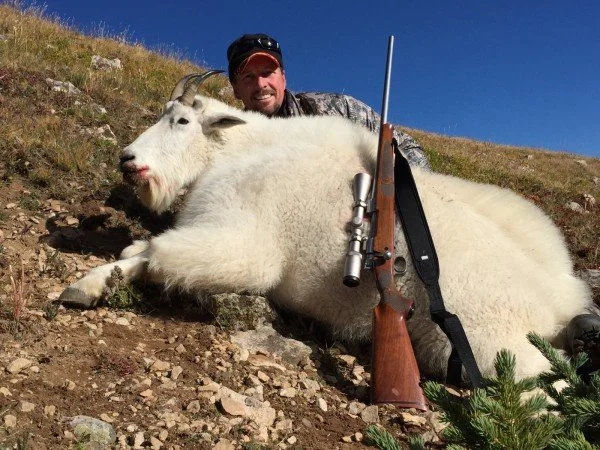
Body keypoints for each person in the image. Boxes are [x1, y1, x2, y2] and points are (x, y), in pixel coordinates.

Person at [226, 33, 431, 170]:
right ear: (235, 89)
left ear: (284, 78)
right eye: (248, 77)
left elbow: (409, 149)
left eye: (268, 73)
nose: (261, 84)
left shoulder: (338, 109)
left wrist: (394, 190)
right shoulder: (229, 143)